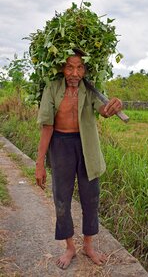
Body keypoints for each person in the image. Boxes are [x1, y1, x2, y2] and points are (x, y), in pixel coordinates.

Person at [35, 52, 123, 270]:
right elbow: (47, 127)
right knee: (62, 198)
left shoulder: (90, 88)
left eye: (80, 67)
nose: (75, 73)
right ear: (61, 68)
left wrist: (112, 107)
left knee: (90, 197)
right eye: (69, 67)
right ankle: (70, 247)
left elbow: (103, 109)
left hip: (87, 147)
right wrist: (39, 164)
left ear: (85, 69)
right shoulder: (52, 88)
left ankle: (88, 246)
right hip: (61, 146)